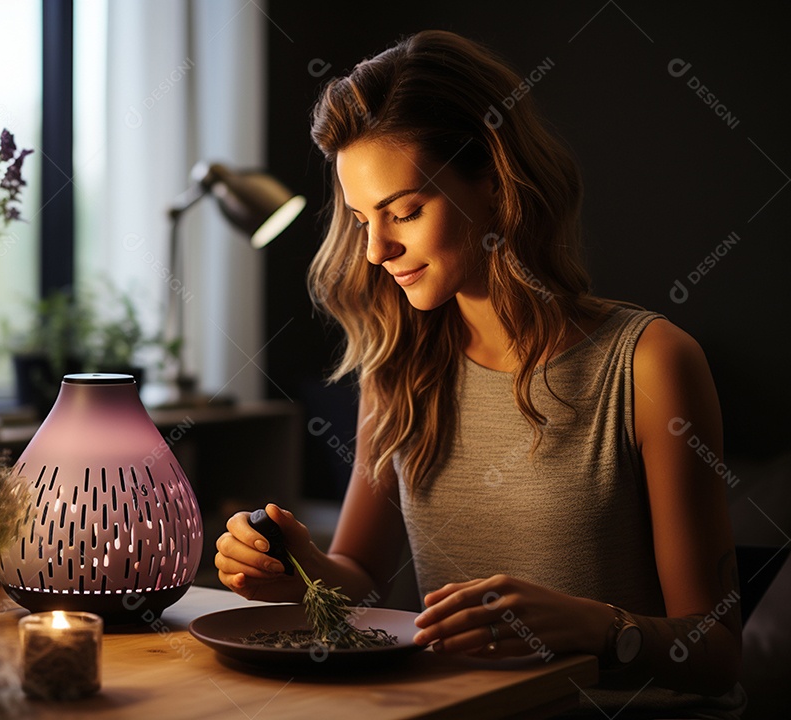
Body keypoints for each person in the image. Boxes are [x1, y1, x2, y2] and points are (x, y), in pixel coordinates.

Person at [214, 30, 745, 718]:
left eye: (404, 211)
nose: (376, 249)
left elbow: (718, 652)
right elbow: (361, 579)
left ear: (494, 188)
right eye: (359, 219)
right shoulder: (399, 367)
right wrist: (292, 566)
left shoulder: (649, 363)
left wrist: (596, 628)